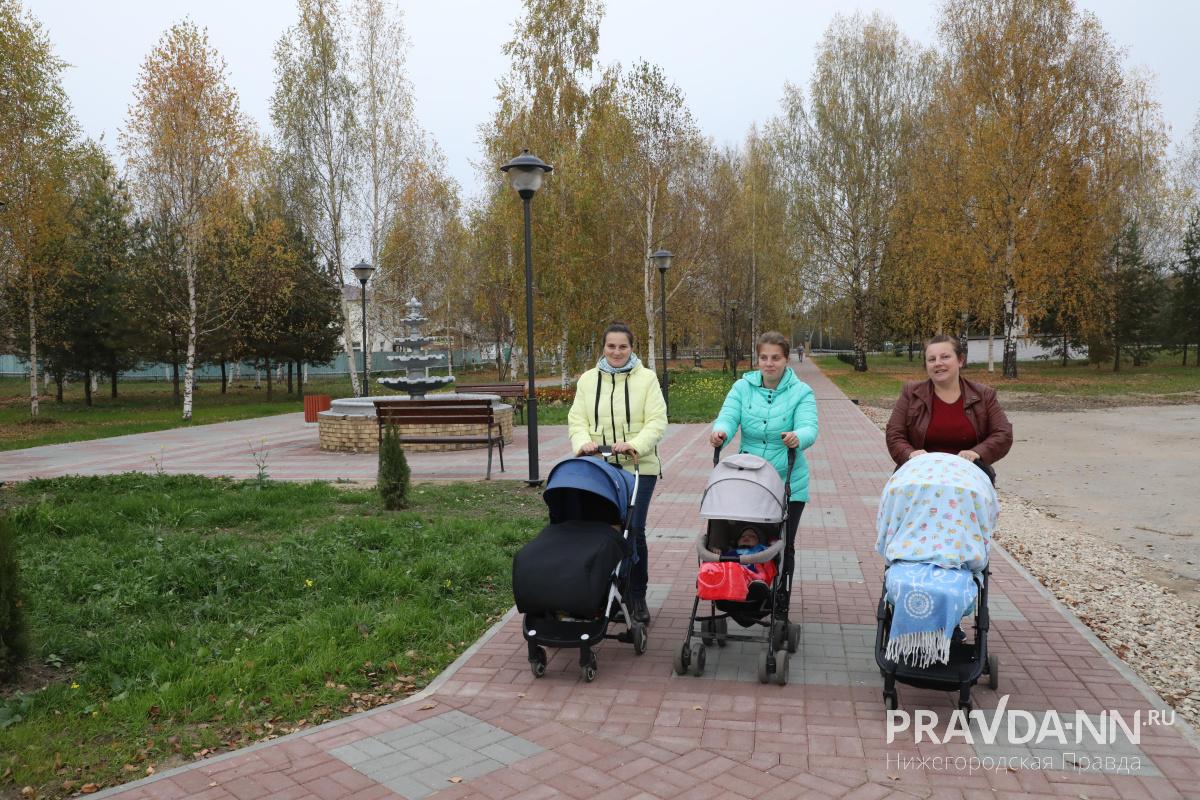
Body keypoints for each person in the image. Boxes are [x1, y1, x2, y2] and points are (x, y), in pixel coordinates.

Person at [568, 322, 668, 625]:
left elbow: (657, 421)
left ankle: (636, 595)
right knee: (604, 529)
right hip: (600, 466)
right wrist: (582, 443)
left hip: (639, 466)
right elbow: (577, 418)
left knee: (633, 531)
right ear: (603, 347)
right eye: (611, 346)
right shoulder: (588, 380)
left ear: (632, 348)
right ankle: (605, 591)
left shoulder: (647, 379)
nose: (616, 352)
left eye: (622, 346)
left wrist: (634, 445)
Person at [709, 331, 819, 548]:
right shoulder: (742, 388)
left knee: (784, 545)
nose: (769, 363)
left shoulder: (802, 392)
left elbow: (809, 427)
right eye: (764, 358)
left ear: (786, 360)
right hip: (749, 479)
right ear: (757, 359)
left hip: (788, 481)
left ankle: (780, 578)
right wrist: (720, 432)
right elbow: (728, 416)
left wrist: (798, 437)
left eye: (776, 358)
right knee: (738, 537)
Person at [885, 334, 1013, 473]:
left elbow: (1003, 433)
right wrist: (910, 453)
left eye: (945, 357)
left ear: (960, 360)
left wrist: (977, 452)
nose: (938, 363)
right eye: (932, 359)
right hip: (919, 473)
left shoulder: (984, 395)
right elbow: (894, 433)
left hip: (970, 474)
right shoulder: (911, 393)